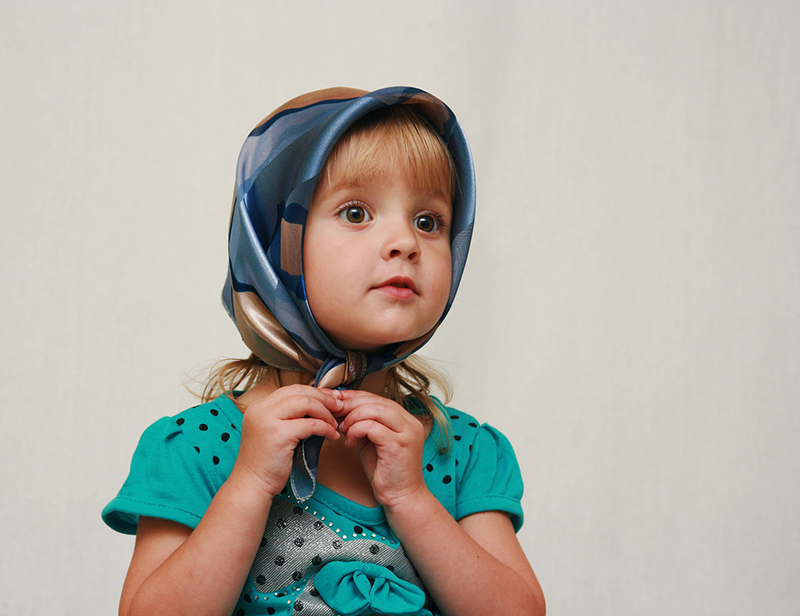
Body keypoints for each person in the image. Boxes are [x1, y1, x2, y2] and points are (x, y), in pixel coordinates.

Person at [103, 86, 545, 616]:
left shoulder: (464, 451)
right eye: (356, 213)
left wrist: (411, 499)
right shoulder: (195, 449)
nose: (406, 242)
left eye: (428, 222)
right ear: (276, 245)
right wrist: (249, 483)